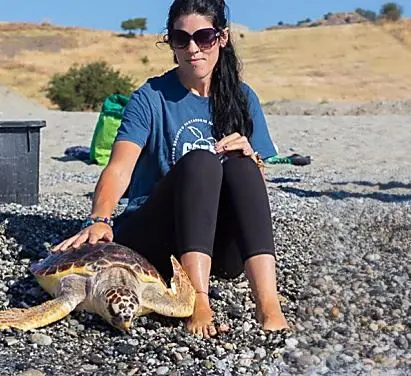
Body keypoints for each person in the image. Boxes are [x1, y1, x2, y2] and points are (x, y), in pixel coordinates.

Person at [53, 0, 291, 338]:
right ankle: (197, 301)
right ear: (171, 43)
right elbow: (119, 166)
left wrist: (252, 158)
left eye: (204, 37)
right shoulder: (151, 97)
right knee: (201, 161)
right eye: (181, 39)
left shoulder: (242, 97)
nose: (192, 48)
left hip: (219, 248)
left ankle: (268, 305)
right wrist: (100, 218)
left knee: (242, 164)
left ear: (221, 38)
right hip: (156, 240)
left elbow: (252, 190)